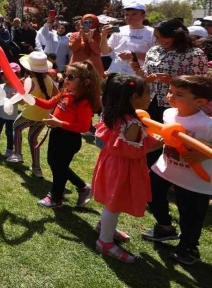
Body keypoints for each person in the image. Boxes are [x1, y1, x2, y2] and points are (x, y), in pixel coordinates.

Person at [144, 76, 212, 265]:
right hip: (165, 167)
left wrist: (202, 155)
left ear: (200, 102)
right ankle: (165, 228)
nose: (170, 96)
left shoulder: (207, 125)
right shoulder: (168, 114)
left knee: (191, 214)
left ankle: (188, 247)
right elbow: (165, 135)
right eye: (170, 92)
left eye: (179, 94)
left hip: (195, 179)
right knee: (150, 193)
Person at [91, 74, 155, 263]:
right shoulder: (132, 123)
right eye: (148, 93)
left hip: (111, 163)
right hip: (123, 168)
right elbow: (132, 151)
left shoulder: (113, 114)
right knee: (115, 203)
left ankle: (105, 226)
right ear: (134, 97)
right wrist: (157, 143)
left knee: (112, 200)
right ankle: (105, 241)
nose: (150, 97)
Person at [131, 18, 207, 166]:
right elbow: (146, 76)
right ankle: (149, 168)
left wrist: (172, 81)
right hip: (151, 101)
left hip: (176, 104)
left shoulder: (194, 54)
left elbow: (200, 83)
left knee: (170, 139)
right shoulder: (154, 50)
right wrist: (140, 72)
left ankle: (167, 170)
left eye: (163, 37)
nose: (159, 40)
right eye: (157, 37)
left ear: (177, 35)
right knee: (150, 137)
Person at [35, 61, 101, 208]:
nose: (66, 79)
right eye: (65, 75)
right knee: (55, 164)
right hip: (57, 133)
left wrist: (59, 123)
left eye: (71, 77)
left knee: (59, 167)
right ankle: (83, 187)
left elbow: (84, 127)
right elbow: (49, 103)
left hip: (69, 139)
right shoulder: (66, 92)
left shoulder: (84, 102)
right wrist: (30, 98)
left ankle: (55, 198)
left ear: (86, 81)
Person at [8, 52, 59, 178]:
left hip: (30, 114)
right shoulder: (49, 79)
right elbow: (57, 95)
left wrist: (16, 94)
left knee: (16, 126)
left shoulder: (30, 81)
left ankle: (18, 153)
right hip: (43, 116)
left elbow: (22, 100)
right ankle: (37, 169)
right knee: (33, 140)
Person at [101, 1, 155, 76]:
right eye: (127, 14)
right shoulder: (119, 31)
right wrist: (103, 37)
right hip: (116, 74)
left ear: (143, 16)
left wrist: (134, 55)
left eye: (134, 14)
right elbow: (105, 52)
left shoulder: (152, 33)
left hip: (138, 77)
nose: (129, 17)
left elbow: (156, 57)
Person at [0, 63, 21, 155]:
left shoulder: (17, 89)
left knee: (10, 133)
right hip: (0, 114)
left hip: (11, 116)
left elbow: (21, 101)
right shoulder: (0, 87)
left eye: (8, 75)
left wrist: (16, 97)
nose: (5, 76)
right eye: (3, 74)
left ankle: (9, 149)